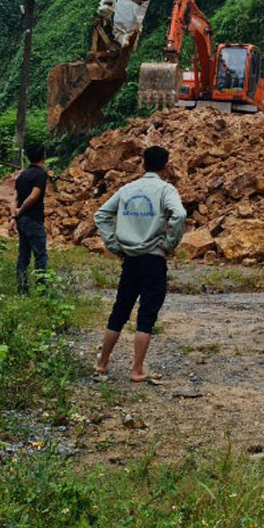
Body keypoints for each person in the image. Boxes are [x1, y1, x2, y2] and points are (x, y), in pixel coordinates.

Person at [93, 145, 187, 383]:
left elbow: (101, 215)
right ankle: (136, 369)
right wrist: (169, 244)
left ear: (143, 163)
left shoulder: (128, 189)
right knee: (146, 315)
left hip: (130, 259)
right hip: (154, 259)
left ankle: (102, 363)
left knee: (119, 310)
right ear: (165, 166)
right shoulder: (166, 190)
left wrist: (114, 245)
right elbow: (180, 215)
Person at [9, 142, 49, 295]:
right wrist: (19, 212)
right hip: (34, 220)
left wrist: (14, 216)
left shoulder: (22, 176)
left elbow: (14, 198)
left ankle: (22, 290)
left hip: (22, 222)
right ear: (43, 156)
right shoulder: (41, 174)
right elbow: (33, 197)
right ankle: (42, 291)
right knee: (40, 256)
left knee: (23, 256)